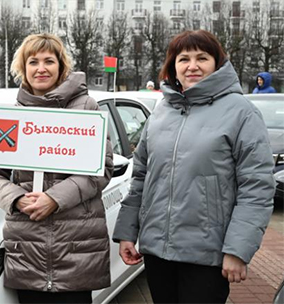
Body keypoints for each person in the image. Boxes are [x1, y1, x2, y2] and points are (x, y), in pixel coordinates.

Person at [113, 30, 275, 304]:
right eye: (183, 58)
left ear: (217, 63)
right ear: (173, 66)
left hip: (207, 254)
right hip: (157, 252)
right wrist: (127, 232)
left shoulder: (241, 112)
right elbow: (141, 176)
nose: (192, 66)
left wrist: (238, 250)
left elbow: (256, 188)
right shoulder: (163, 111)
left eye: (202, 57)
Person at [0, 33, 113, 304]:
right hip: (27, 247)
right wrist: (16, 198)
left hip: (76, 248)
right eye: (33, 62)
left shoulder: (86, 107)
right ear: (23, 69)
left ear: (61, 66)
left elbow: (101, 169)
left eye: (48, 61)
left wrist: (55, 199)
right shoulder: (11, 115)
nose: (41, 68)